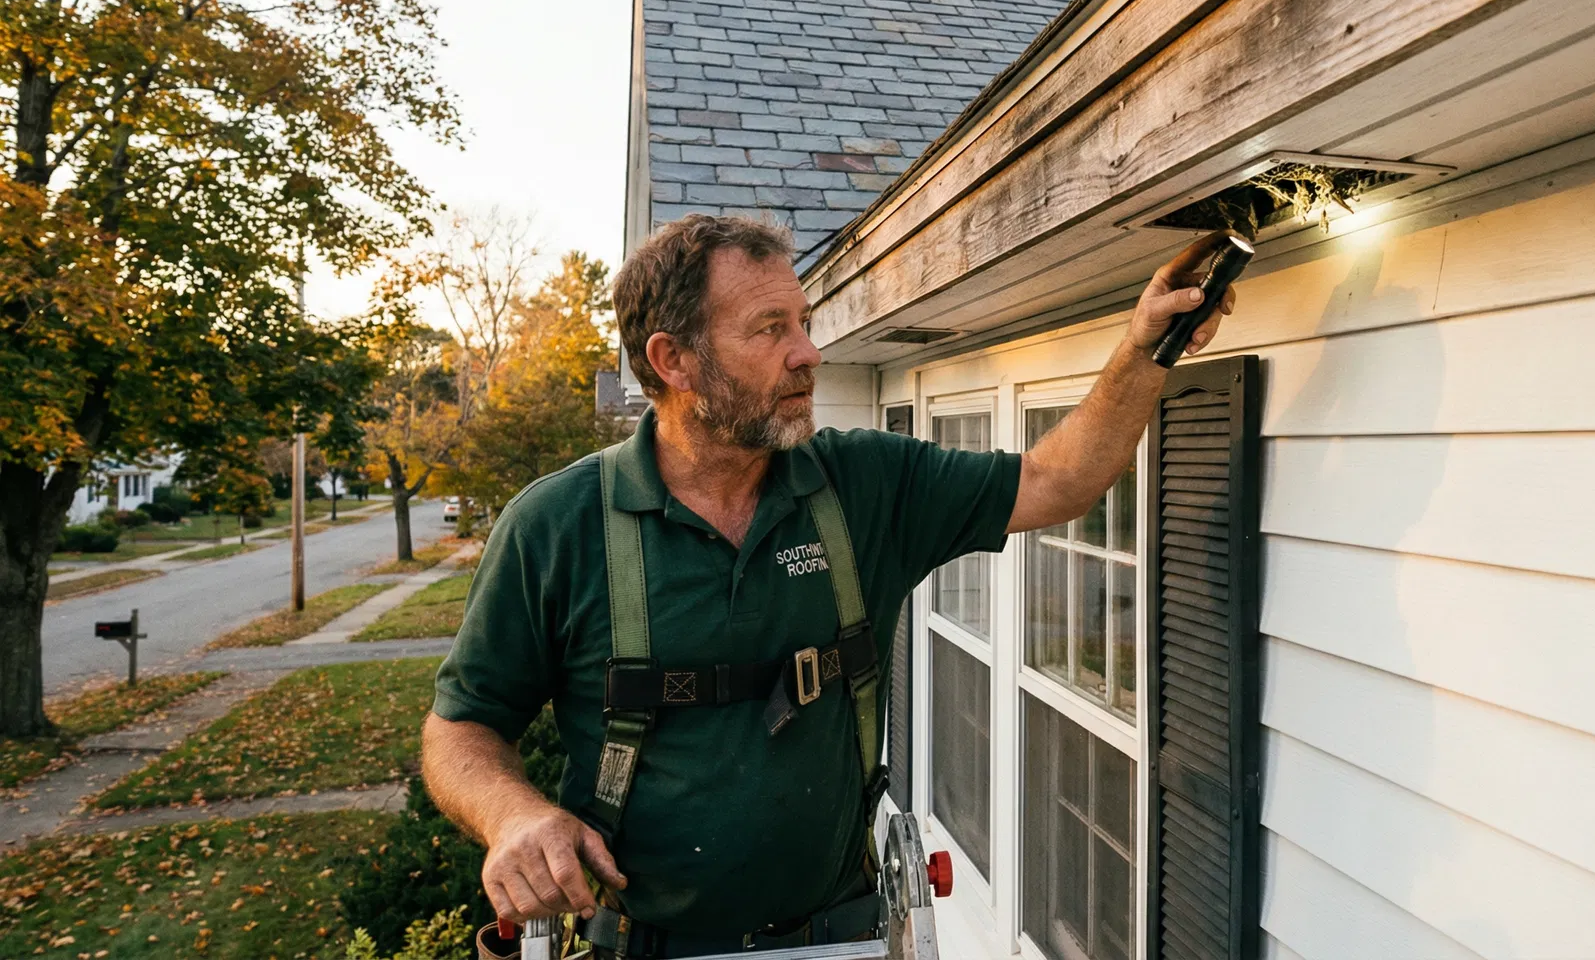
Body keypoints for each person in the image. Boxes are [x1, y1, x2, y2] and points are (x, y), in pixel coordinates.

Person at [422, 214, 1235, 957]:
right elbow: (460, 731)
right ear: (674, 360)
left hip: (838, 936)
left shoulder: (862, 484)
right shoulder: (557, 526)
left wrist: (1143, 348)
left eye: (802, 322)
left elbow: (1059, 482)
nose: (808, 351)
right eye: (771, 329)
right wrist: (513, 815)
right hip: (639, 944)